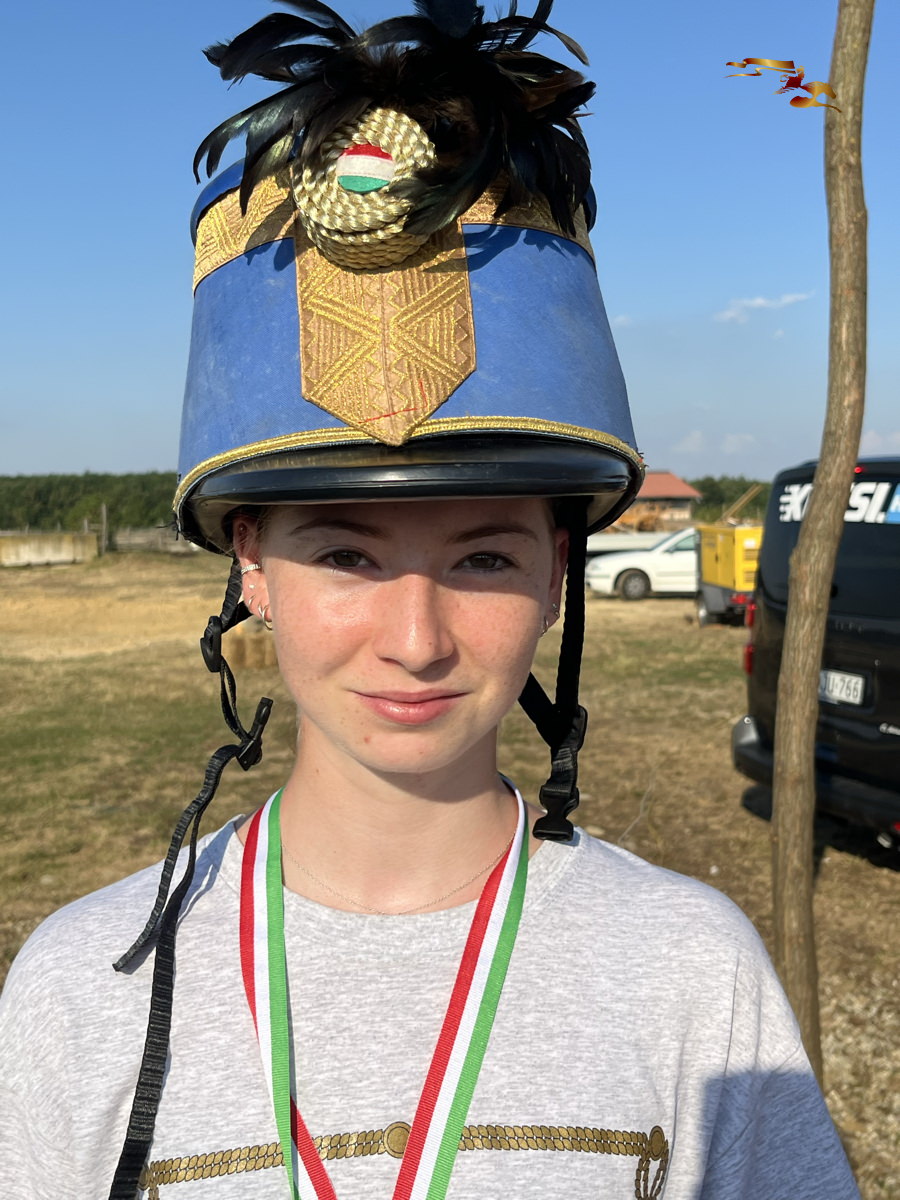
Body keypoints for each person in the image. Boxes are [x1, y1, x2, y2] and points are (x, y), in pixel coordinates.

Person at [0, 3, 860, 1198]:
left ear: (559, 571)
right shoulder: (80, 988)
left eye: (484, 560)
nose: (416, 641)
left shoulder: (690, 974)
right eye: (346, 558)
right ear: (250, 564)